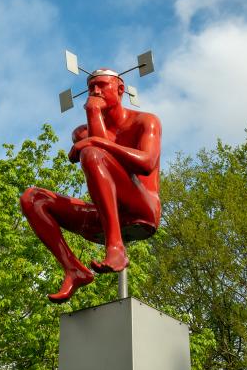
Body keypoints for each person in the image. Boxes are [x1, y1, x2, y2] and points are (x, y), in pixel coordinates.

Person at [20, 68, 161, 303]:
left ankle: (116, 247)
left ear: (120, 89)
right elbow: (98, 147)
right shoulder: (83, 132)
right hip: (102, 215)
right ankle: (74, 270)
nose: (95, 91)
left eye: (102, 85)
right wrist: (93, 120)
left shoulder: (145, 121)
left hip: (141, 207)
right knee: (32, 198)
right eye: (91, 86)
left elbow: (146, 163)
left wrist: (93, 140)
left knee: (92, 152)